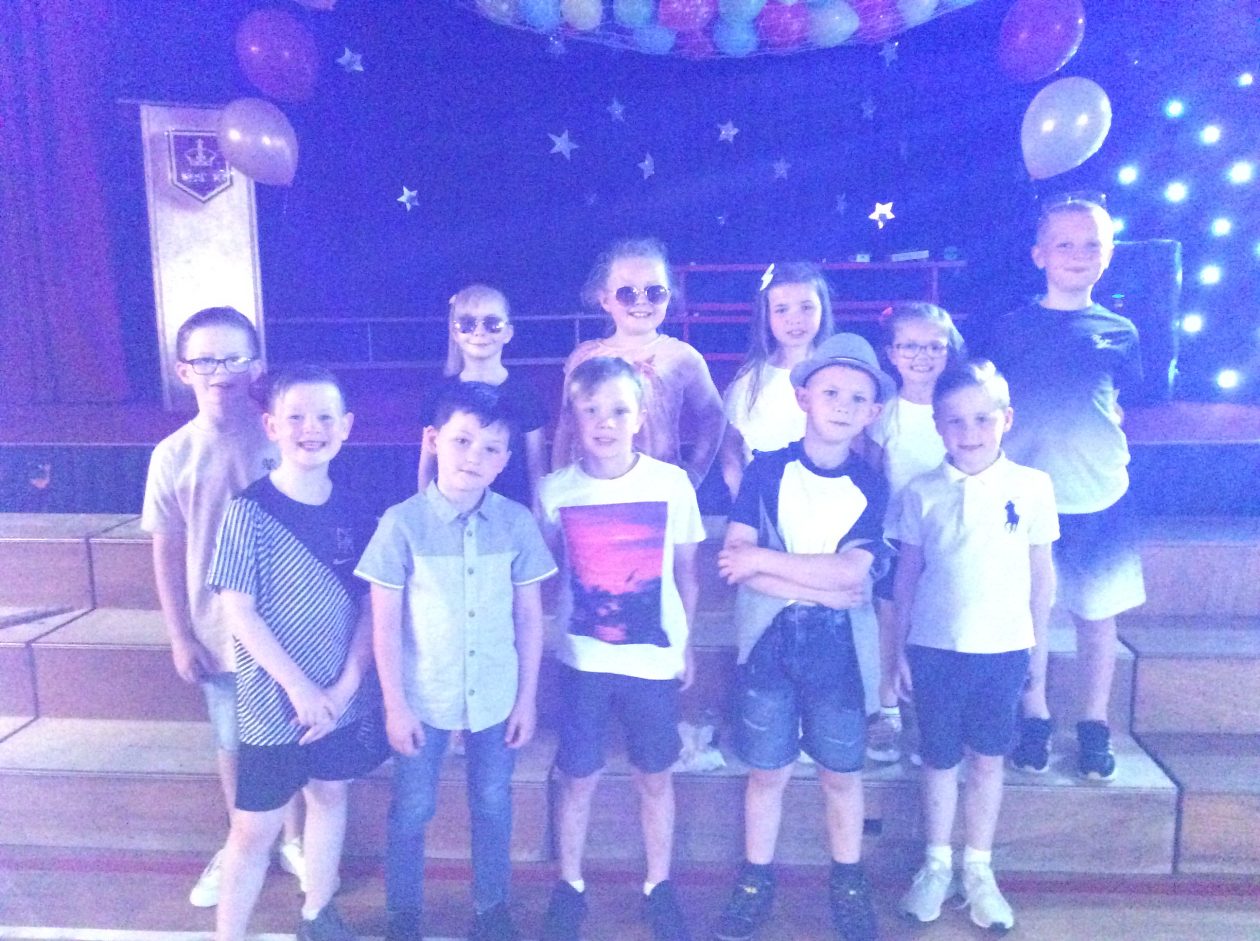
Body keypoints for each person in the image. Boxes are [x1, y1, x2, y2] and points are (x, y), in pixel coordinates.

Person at [358, 383, 557, 941]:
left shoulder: (517, 523)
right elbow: (384, 625)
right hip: (424, 696)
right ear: (432, 440)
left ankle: (491, 909)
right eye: (462, 440)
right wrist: (395, 706)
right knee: (413, 807)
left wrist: (526, 700)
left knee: (492, 802)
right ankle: (404, 914)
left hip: (496, 696)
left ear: (506, 459)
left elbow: (529, 618)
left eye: (491, 448)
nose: (474, 456)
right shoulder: (401, 523)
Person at [712, 334, 892, 941]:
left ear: (872, 412)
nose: (842, 405)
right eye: (831, 392)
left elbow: (853, 574)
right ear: (803, 396)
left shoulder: (870, 483)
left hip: (839, 649)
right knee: (768, 772)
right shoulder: (767, 469)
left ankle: (848, 882)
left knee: (841, 774)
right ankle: (755, 880)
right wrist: (820, 583)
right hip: (768, 643)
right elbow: (735, 560)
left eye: (857, 398)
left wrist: (771, 565)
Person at [207, 365, 386, 941]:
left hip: (338, 698)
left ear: (347, 426)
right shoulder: (249, 510)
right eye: (297, 417)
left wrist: (343, 688)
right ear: (271, 426)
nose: (312, 428)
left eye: (325, 417)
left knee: (330, 795)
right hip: (273, 707)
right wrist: (299, 688)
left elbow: (370, 608)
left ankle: (317, 912)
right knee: (254, 830)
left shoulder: (359, 512)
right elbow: (239, 611)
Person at [140, 306, 304, 907]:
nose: (220, 372)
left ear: (256, 366)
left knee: (292, 739)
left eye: (234, 358)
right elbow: (167, 550)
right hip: (217, 633)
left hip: (289, 629)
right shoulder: (172, 455)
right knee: (233, 744)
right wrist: (180, 635)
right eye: (205, 360)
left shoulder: (283, 439)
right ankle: (240, 841)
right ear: (183, 370)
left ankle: (294, 840)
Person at [538, 356, 705, 941]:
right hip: (582, 661)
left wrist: (687, 644)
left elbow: (687, 574)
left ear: (639, 417)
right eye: (591, 410)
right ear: (574, 417)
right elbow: (549, 572)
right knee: (577, 776)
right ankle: (569, 884)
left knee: (654, 775)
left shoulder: (671, 484)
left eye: (617, 410)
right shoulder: (555, 490)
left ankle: (659, 884)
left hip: (652, 663)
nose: (604, 422)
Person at [978, 197, 1144, 780]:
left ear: (1109, 255)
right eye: (1065, 244)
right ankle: (1035, 715)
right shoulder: (1010, 329)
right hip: (1025, 500)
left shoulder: (1121, 332)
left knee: (1097, 613)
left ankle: (1094, 721)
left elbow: (1121, 401)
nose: (1078, 254)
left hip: (1099, 496)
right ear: (1039, 255)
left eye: (1091, 244)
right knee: (1031, 615)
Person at [889, 360, 1058, 933]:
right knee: (938, 757)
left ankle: (979, 868)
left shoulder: (1032, 487)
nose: (969, 432)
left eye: (983, 418)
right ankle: (937, 863)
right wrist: (899, 652)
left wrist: (1037, 653)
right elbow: (907, 577)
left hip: (1004, 650)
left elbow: (1041, 578)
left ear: (1006, 419)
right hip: (935, 648)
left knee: (988, 757)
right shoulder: (921, 492)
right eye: (955, 421)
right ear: (938, 426)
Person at [865, 303, 966, 764]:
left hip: (951, 539)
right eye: (909, 346)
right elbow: (872, 475)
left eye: (933, 346)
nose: (922, 356)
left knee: (938, 625)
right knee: (891, 621)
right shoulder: (884, 413)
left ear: (949, 350)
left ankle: (935, 715)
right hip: (895, 538)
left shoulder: (960, 408)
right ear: (891, 353)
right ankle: (887, 708)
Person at [550, 237, 725, 490]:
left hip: (658, 490)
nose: (641, 301)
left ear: (669, 296)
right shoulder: (583, 356)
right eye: (627, 293)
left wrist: (696, 472)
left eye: (655, 292)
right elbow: (565, 428)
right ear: (605, 300)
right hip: (589, 490)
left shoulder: (682, 356)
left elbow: (713, 415)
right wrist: (559, 485)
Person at [417, 284, 548, 511]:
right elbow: (427, 466)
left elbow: (536, 466)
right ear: (455, 333)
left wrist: (539, 518)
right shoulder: (439, 393)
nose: (479, 332)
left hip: (510, 513)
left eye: (492, 324)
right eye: (467, 324)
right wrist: (428, 516)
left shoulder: (525, 392)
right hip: (452, 512)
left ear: (508, 332)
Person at [718, 261, 836, 502]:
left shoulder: (839, 373)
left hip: (825, 501)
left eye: (806, 307)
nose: (795, 319)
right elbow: (730, 445)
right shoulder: (750, 379)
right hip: (762, 503)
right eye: (782, 310)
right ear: (767, 316)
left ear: (822, 309)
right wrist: (740, 493)